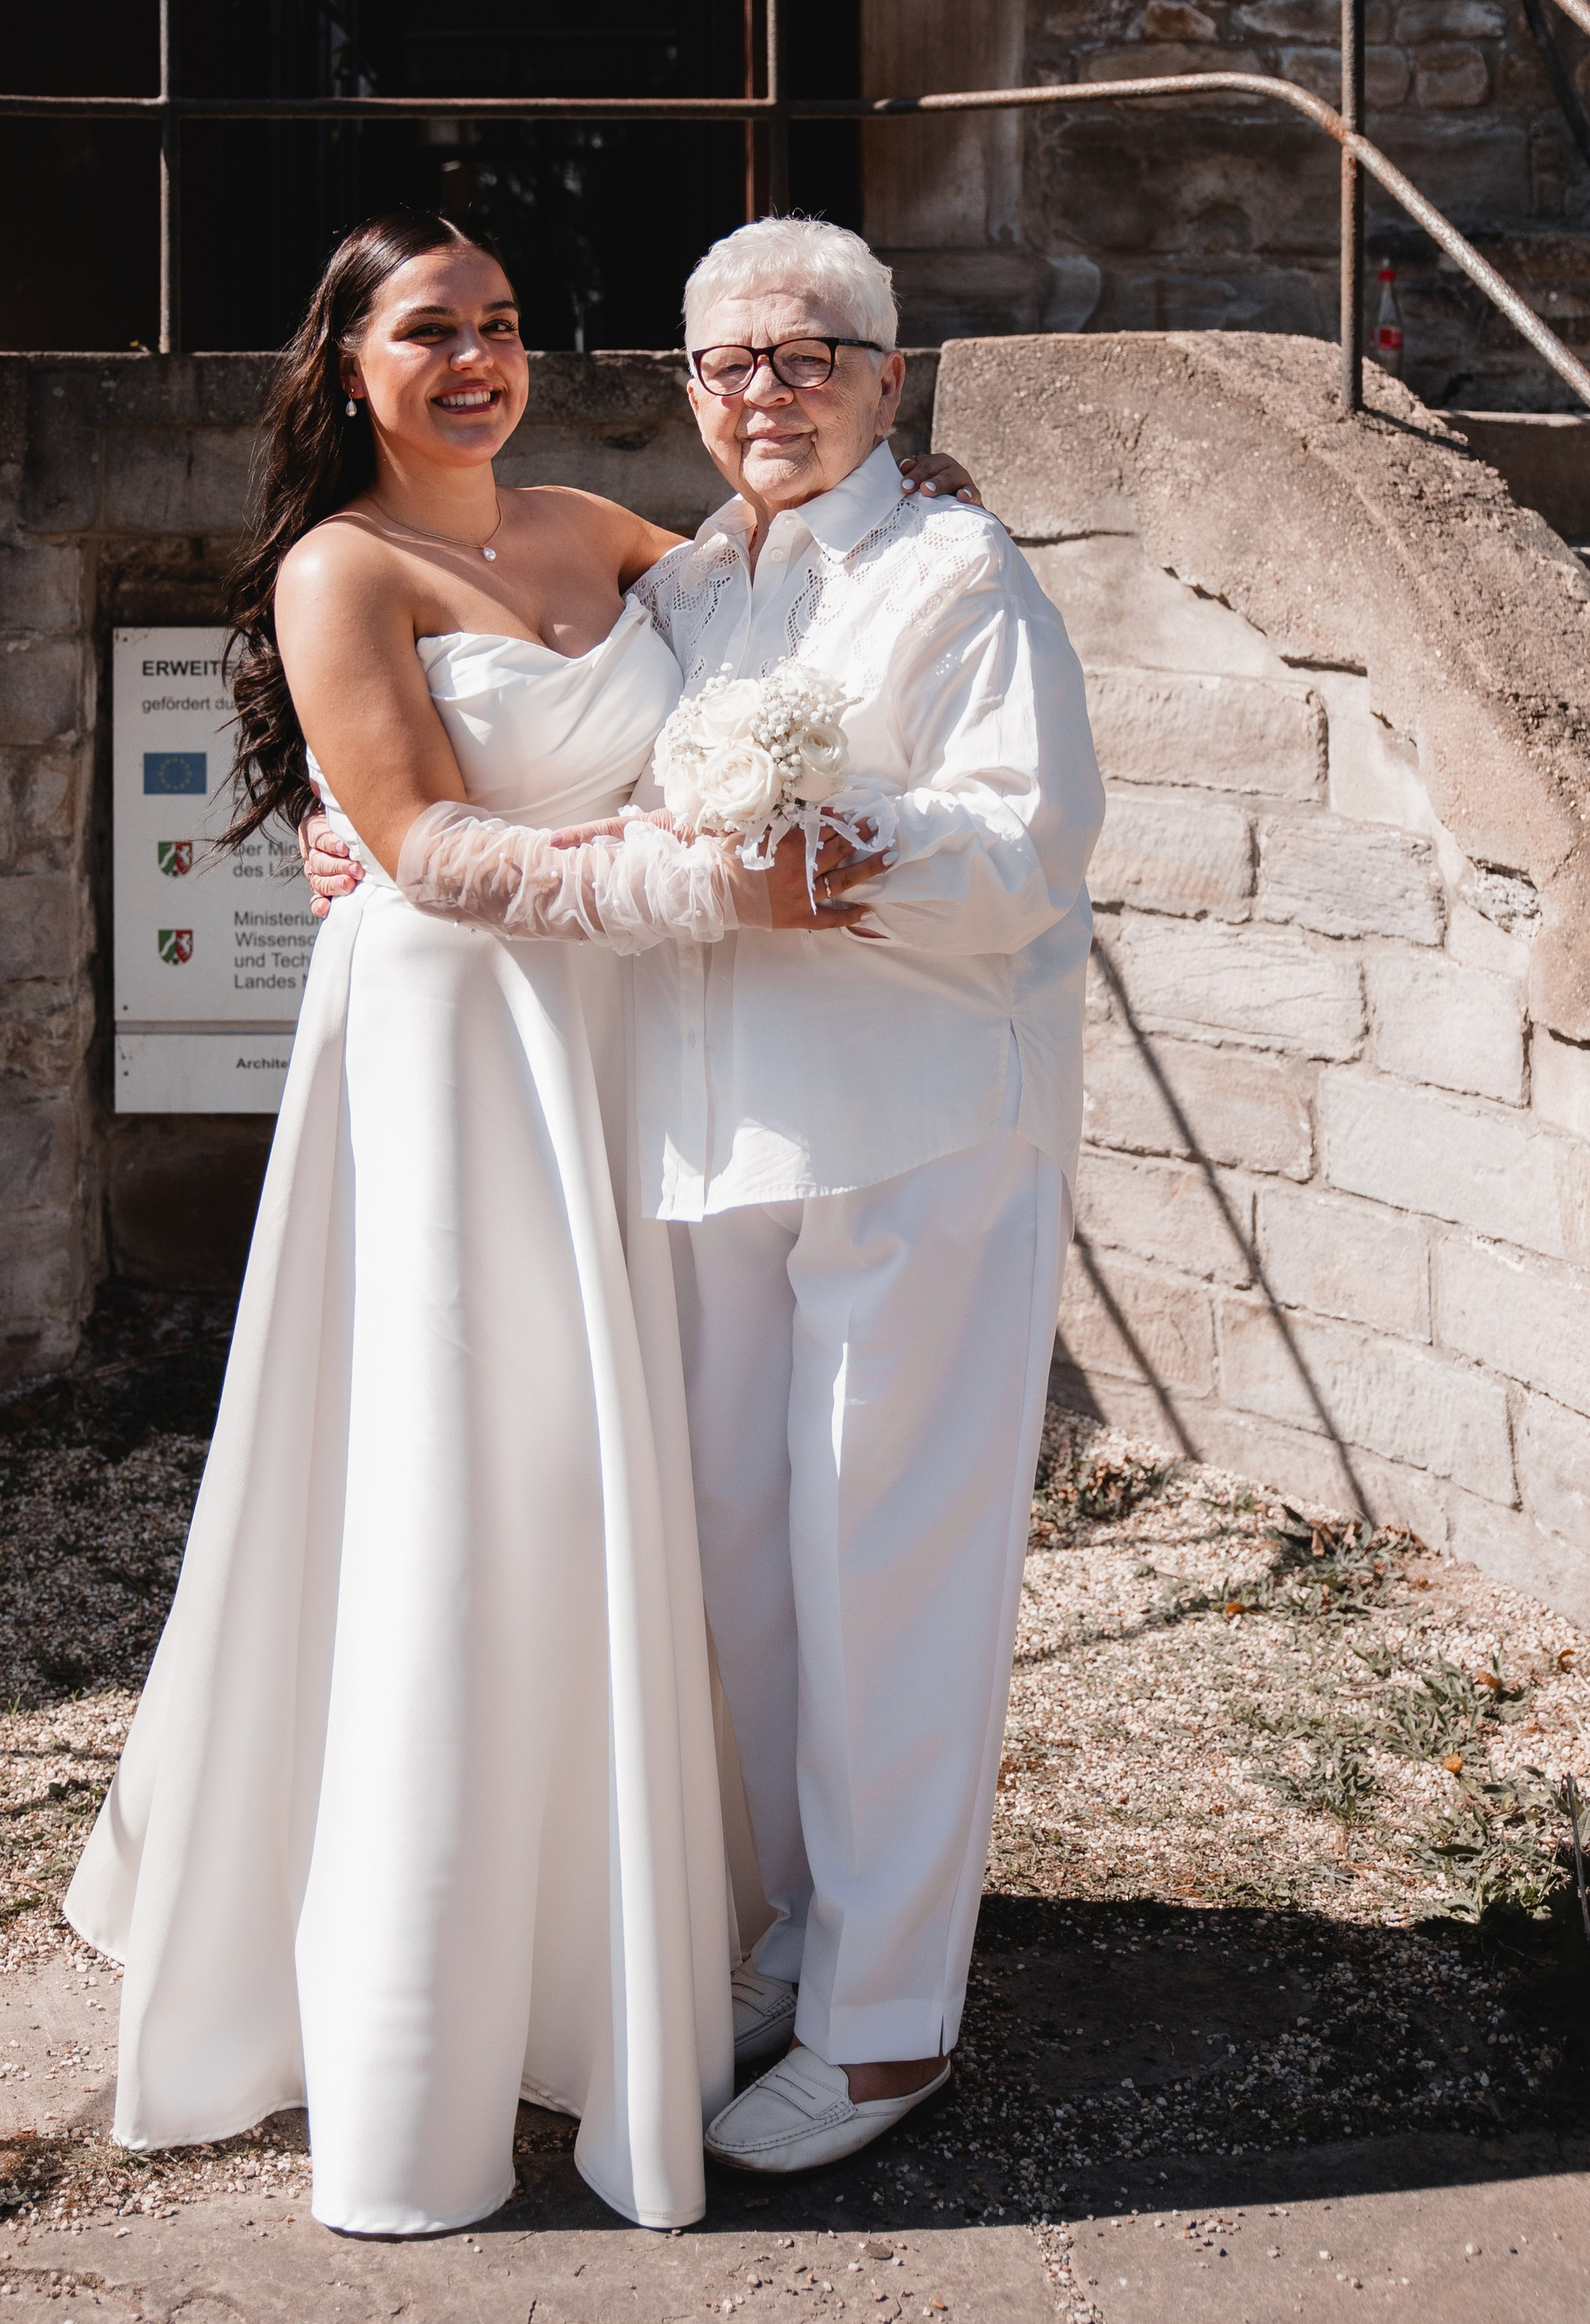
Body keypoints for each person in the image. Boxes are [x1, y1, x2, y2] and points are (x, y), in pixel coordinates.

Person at [65, 210, 976, 2239]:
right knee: (471, 1491)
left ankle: (624, 1928)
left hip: (623, 1060)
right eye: (426, 332)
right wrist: (697, 891)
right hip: (466, 1047)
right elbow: (431, 846)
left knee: (624, 1477)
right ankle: (433, 2011)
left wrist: (923, 499)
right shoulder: (339, 569)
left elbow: (787, 605)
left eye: (495, 325)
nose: (474, 358)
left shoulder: (594, 529)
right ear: (347, 364)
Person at [311, 216, 1102, 2179]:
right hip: (704, 1136)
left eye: (809, 357)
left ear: (884, 377)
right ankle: (780, 1936)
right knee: (741, 1578)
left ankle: (885, 2018)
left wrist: (820, 845)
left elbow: (1029, 843)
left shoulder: (955, 569)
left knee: (887, 1583)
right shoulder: (702, 578)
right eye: (728, 364)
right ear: (686, 389)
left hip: (912, 1127)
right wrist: (360, 841)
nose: (767, 393)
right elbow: (511, 761)